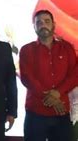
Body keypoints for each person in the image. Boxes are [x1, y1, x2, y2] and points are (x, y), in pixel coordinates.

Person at [19, 9, 77, 141]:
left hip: (61, 113)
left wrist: (58, 92)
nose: (43, 25)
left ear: (54, 24)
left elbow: (75, 75)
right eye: (38, 23)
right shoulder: (26, 50)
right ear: (34, 27)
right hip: (35, 113)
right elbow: (27, 78)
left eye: (46, 21)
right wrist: (52, 98)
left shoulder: (67, 48)